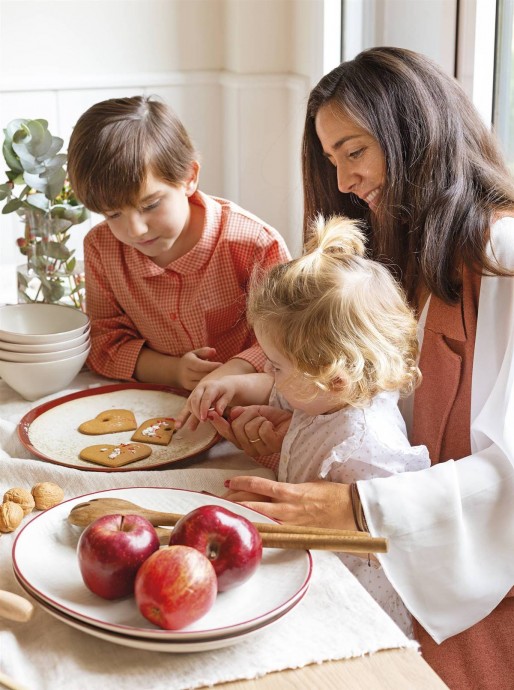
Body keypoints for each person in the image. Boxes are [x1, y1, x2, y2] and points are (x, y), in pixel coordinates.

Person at [179, 47, 514, 690]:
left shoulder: (499, 258)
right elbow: (397, 405)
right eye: (332, 161)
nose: (342, 183)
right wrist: (310, 422)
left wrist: (367, 509)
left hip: (464, 572)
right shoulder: (408, 253)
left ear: (417, 135)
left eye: (355, 152)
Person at [193, 213, 430, 634]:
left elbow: (392, 538)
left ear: (334, 376)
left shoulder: (366, 443)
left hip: (350, 596)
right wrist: (238, 388)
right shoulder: (321, 395)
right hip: (305, 562)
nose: (267, 369)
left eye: (277, 366)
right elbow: (281, 393)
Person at [67, 96, 290, 389]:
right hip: (154, 401)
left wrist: (233, 371)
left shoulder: (255, 245)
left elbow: (292, 337)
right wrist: (173, 371)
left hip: (254, 401)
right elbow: (104, 342)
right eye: (113, 214)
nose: (135, 230)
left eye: (150, 206)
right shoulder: (101, 249)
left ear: (189, 177)